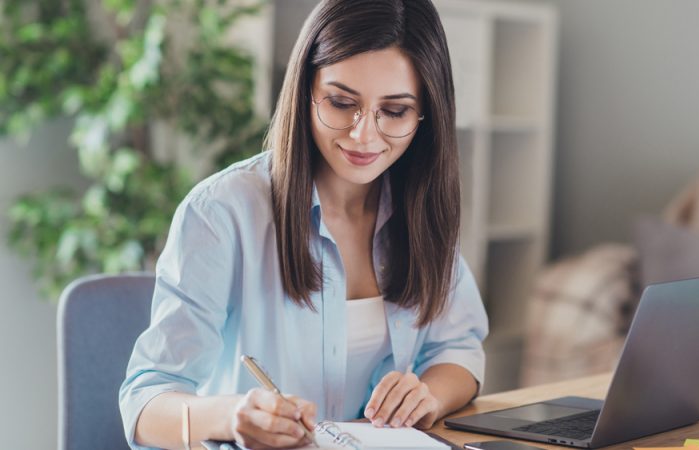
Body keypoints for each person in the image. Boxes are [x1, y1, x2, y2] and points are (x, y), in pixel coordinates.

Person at [119, 0, 488, 448]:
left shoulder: (420, 209)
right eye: (341, 102)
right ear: (304, 91)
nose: (363, 135)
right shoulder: (221, 213)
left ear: (425, 115)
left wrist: (428, 394)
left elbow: (459, 349)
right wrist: (234, 417)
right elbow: (144, 403)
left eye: (394, 112)